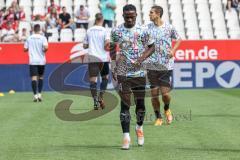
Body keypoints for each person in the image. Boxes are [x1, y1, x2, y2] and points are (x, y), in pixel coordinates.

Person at [110, 4, 155, 150]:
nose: (129, 19)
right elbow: (112, 47)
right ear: (122, 16)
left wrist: (141, 59)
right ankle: (126, 137)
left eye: (132, 16)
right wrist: (113, 65)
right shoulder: (117, 31)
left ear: (136, 15)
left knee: (140, 104)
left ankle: (139, 127)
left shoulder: (143, 30)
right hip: (123, 71)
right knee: (125, 104)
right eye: (127, 17)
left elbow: (152, 47)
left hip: (140, 72)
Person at [146, 5, 181, 126]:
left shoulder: (169, 27)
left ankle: (167, 108)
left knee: (165, 94)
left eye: (151, 13)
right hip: (152, 66)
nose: (149, 14)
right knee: (154, 95)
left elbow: (179, 39)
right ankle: (158, 118)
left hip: (166, 65)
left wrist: (173, 50)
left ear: (158, 14)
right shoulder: (147, 28)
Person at [83, 13, 110, 110]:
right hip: (103, 58)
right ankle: (101, 97)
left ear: (95, 19)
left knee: (92, 81)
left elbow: (84, 45)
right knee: (105, 78)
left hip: (92, 58)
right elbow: (107, 44)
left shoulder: (89, 30)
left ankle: (95, 101)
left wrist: (92, 44)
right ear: (102, 20)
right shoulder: (104, 30)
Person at [24, 24, 48, 102]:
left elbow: (25, 49)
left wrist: (30, 49)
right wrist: (43, 51)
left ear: (33, 30)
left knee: (34, 78)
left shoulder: (29, 38)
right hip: (41, 60)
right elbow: (46, 48)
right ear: (39, 30)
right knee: (41, 77)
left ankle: (35, 95)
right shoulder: (43, 38)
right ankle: (40, 94)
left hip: (33, 60)